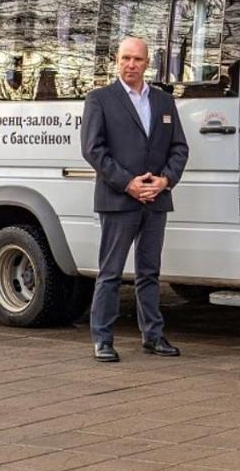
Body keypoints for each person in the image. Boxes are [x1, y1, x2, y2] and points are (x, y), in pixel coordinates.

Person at [80, 36, 189, 363]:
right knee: (110, 272)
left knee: (149, 272)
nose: (131, 65)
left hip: (156, 198)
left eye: (138, 60)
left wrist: (165, 179)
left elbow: (179, 147)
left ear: (147, 63)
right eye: (126, 58)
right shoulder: (100, 99)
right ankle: (102, 339)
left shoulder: (163, 102)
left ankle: (153, 336)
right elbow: (93, 150)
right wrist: (128, 183)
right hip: (118, 200)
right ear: (117, 60)